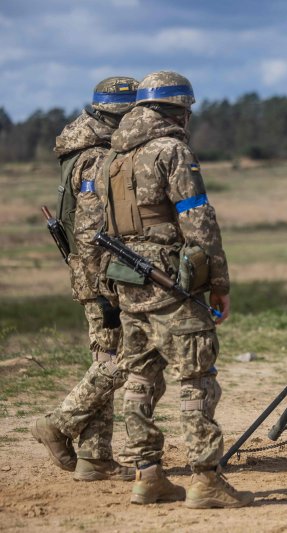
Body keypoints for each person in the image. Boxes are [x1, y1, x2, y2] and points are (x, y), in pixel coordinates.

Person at [101, 71, 252, 508]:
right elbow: (198, 221)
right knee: (196, 379)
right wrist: (217, 283)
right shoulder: (172, 151)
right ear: (177, 109)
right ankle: (205, 480)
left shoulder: (115, 157)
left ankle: (147, 476)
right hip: (171, 284)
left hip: (129, 283)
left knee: (139, 377)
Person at [31, 77, 140, 481]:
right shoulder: (96, 158)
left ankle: (94, 459)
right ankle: (58, 424)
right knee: (125, 358)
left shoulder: (80, 150)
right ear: (118, 115)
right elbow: (93, 234)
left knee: (105, 359)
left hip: (95, 278)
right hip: (103, 279)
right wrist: (110, 287)